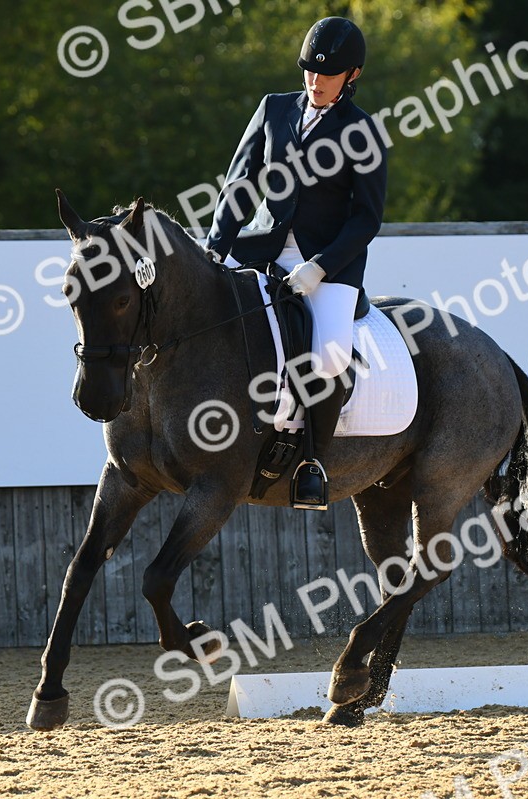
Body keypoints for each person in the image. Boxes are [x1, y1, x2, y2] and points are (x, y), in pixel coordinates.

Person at [204, 16, 388, 510]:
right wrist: (215, 248)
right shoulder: (274, 109)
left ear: (352, 76)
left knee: (329, 356)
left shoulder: (363, 131)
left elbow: (366, 219)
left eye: (328, 74)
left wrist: (321, 267)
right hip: (262, 249)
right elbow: (239, 186)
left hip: (330, 265)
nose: (315, 81)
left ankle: (313, 462)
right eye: (309, 70)